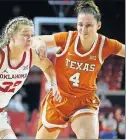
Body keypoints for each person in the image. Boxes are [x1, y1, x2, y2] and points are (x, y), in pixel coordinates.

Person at [34, 0, 125, 139]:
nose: (83, 29)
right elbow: (38, 39)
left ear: (98, 25)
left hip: (84, 101)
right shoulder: (68, 38)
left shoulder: (105, 44)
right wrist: (40, 44)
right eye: (80, 25)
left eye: (89, 25)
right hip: (59, 99)